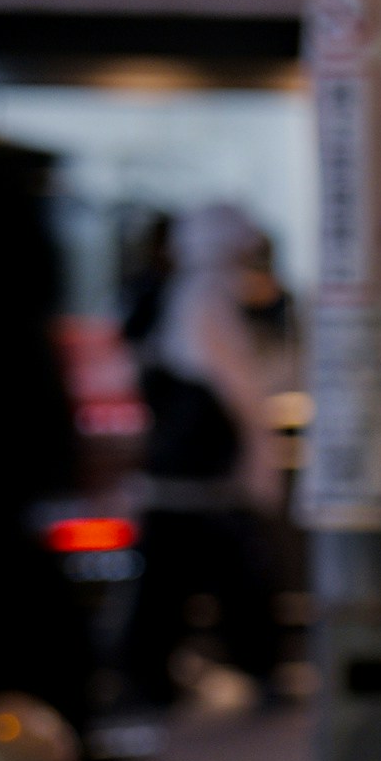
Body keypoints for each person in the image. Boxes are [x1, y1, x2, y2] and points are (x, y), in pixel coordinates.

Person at [121, 204, 294, 712]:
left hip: (187, 473)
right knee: (221, 581)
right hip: (199, 475)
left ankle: (153, 680)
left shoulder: (188, 294)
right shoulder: (205, 297)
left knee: (175, 585)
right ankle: (167, 679)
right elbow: (238, 385)